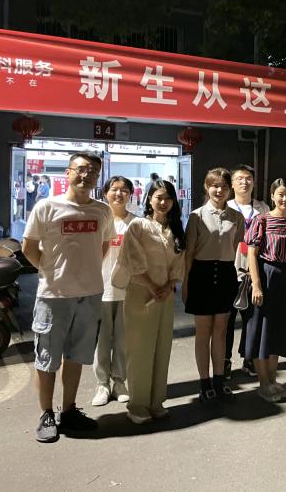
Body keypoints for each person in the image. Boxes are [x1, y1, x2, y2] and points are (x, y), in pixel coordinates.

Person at [22, 152, 115, 443]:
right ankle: (46, 414)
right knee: (47, 357)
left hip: (90, 294)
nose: (87, 175)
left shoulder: (102, 211)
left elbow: (103, 246)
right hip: (54, 295)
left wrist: (84, 272)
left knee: (77, 356)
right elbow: (28, 247)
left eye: (93, 171)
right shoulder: (47, 206)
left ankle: (69, 410)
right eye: (81, 169)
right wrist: (50, 272)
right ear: (68, 172)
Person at [113, 180, 185, 424]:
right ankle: (137, 405)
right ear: (149, 199)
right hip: (140, 293)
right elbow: (132, 260)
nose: (163, 202)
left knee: (162, 348)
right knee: (140, 350)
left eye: (167, 198)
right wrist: (154, 287)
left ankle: (156, 402)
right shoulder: (139, 226)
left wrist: (169, 285)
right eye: (158, 197)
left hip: (165, 295)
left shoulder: (175, 229)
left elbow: (179, 262)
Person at [183, 167, 245, 404]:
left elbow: (236, 246)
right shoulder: (196, 216)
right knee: (203, 332)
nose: (219, 190)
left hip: (226, 274)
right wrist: (186, 283)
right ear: (206, 187)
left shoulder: (237, 217)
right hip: (201, 274)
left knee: (221, 331)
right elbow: (189, 253)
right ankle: (204, 383)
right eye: (214, 186)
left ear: (230, 190)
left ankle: (219, 381)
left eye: (224, 186)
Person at [245, 178, 286, 402]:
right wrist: (256, 285)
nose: (284, 199)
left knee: (278, 330)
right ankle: (263, 383)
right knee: (262, 330)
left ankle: (272, 379)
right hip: (265, 276)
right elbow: (252, 254)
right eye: (280, 194)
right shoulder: (261, 220)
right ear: (272, 196)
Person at [91, 176, 136, 407]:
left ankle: (119, 382)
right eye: (114, 189)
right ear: (105, 193)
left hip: (128, 291)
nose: (119, 194)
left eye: (124, 190)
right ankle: (102, 384)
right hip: (101, 288)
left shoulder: (136, 223)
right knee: (102, 339)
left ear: (131, 194)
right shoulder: (98, 220)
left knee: (123, 339)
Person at [226, 164, 270, 378]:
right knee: (226, 320)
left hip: (254, 271)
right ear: (232, 184)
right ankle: (224, 360)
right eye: (240, 178)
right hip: (229, 270)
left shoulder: (263, 208)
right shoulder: (225, 207)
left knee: (252, 319)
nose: (244, 182)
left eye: (248, 178)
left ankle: (249, 358)